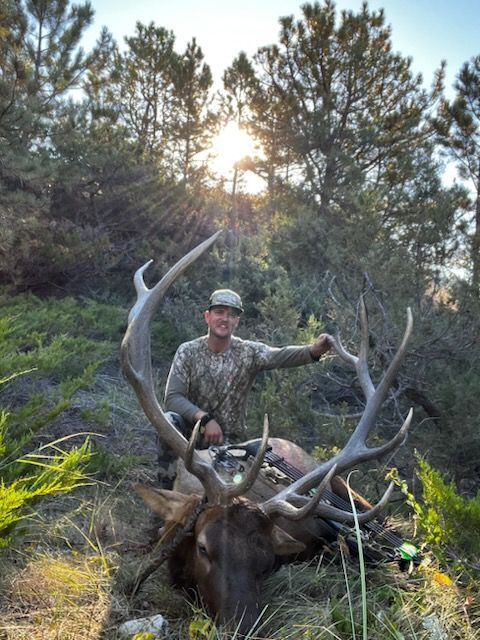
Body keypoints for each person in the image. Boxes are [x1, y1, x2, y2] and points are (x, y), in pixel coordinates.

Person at [157, 288, 331, 488]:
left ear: (237, 322)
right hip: (189, 435)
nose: (225, 319)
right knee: (169, 420)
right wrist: (205, 419)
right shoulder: (187, 351)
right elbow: (172, 398)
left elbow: (281, 355)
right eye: (219, 312)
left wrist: (314, 350)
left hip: (228, 443)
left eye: (232, 315)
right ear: (207, 316)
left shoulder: (248, 352)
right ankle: (166, 494)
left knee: (227, 498)